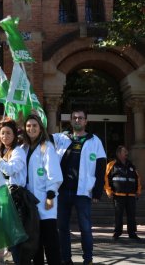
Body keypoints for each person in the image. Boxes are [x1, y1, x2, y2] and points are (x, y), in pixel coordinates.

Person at [52, 109, 106, 265]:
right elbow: (43, 136)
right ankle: (66, 259)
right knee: (62, 228)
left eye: (80, 118)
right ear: (70, 121)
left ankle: (88, 259)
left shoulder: (94, 140)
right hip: (62, 192)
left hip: (83, 192)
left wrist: (97, 191)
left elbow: (101, 167)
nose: (77, 120)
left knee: (86, 228)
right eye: (74, 118)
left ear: (86, 121)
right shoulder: (61, 138)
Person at [22, 114, 62, 265]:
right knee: (35, 243)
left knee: (50, 241)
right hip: (30, 203)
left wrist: (50, 195)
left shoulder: (47, 147)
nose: (31, 128)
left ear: (40, 128)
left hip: (46, 202)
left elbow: (54, 174)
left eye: (34, 125)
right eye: (28, 126)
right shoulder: (24, 148)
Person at [0, 119, 27, 265]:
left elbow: (11, 169)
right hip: (2, 196)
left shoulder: (18, 151)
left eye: (8, 133)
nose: (5, 136)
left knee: (14, 236)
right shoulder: (1, 150)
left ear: (14, 135)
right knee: (5, 234)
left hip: (15, 197)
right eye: (2, 133)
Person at [105, 145, 141, 240]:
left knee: (131, 215)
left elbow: (137, 178)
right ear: (119, 153)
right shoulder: (111, 165)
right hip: (118, 195)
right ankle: (117, 232)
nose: (127, 153)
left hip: (131, 195)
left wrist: (138, 190)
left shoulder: (131, 165)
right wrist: (109, 191)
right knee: (118, 215)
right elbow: (106, 178)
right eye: (124, 151)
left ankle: (132, 233)